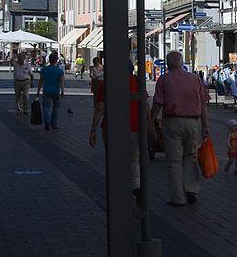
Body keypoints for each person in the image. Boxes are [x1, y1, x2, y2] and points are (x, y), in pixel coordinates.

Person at [150, 50, 210, 206]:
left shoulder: (164, 80)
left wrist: (150, 120)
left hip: (172, 122)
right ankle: (191, 190)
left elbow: (158, 103)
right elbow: (203, 106)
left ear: (168, 64)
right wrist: (205, 127)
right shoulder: (195, 79)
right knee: (191, 156)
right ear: (181, 62)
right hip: (193, 122)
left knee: (174, 161)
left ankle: (177, 198)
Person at [89, 65, 142, 195]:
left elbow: (100, 108)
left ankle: (118, 187)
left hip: (112, 127)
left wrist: (93, 130)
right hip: (135, 126)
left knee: (114, 157)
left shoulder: (106, 82)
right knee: (134, 159)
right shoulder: (137, 81)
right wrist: (149, 124)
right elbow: (144, 105)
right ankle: (136, 187)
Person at [38, 51, 65, 130]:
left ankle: (47, 121)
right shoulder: (59, 71)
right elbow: (62, 83)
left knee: (46, 107)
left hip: (46, 90)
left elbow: (41, 81)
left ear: (49, 60)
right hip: (56, 91)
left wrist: (38, 91)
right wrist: (62, 91)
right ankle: (54, 124)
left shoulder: (44, 69)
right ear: (56, 60)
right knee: (56, 108)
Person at [11, 49, 32, 116]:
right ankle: (19, 110)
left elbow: (31, 74)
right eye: (20, 59)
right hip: (17, 82)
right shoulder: (15, 64)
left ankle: (25, 109)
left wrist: (32, 82)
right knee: (18, 96)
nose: (21, 61)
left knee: (25, 96)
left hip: (26, 81)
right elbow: (11, 61)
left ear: (24, 59)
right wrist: (16, 56)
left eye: (22, 59)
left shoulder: (27, 65)